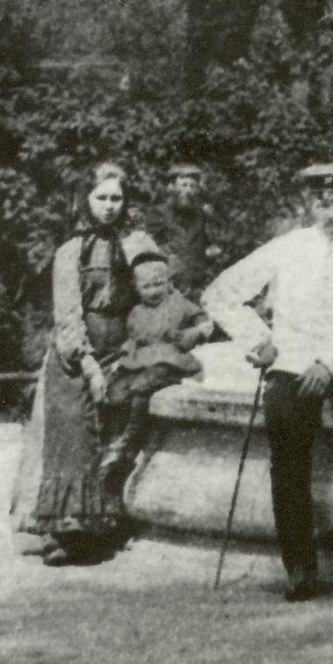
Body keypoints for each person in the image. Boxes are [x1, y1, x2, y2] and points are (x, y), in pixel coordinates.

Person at [204, 161, 333, 601]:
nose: (332, 213)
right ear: (309, 205)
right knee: (287, 437)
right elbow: (220, 293)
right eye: (323, 203)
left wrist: (330, 365)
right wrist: (257, 338)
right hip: (289, 361)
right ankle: (300, 564)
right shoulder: (286, 249)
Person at [18, 163, 162, 566]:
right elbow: (67, 312)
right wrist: (89, 364)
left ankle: (109, 525)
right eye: (102, 198)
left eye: (117, 198)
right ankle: (66, 533)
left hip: (125, 348)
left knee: (121, 433)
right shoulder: (70, 251)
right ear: (86, 200)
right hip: (76, 357)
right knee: (76, 437)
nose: (110, 206)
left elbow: (159, 291)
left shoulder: (138, 243)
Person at [95, 251, 215, 508]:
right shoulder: (136, 312)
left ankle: (128, 438)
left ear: (168, 281)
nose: (153, 291)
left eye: (159, 283)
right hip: (140, 360)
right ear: (136, 288)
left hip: (168, 359)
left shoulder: (178, 303)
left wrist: (194, 332)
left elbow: (205, 322)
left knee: (142, 389)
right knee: (116, 389)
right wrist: (122, 357)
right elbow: (132, 340)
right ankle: (113, 443)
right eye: (146, 286)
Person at [154, 162, 223, 293]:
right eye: (184, 185)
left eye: (193, 186)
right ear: (171, 187)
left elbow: (213, 246)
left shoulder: (202, 215)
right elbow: (148, 245)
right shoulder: (159, 214)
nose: (188, 190)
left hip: (197, 285)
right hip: (167, 285)